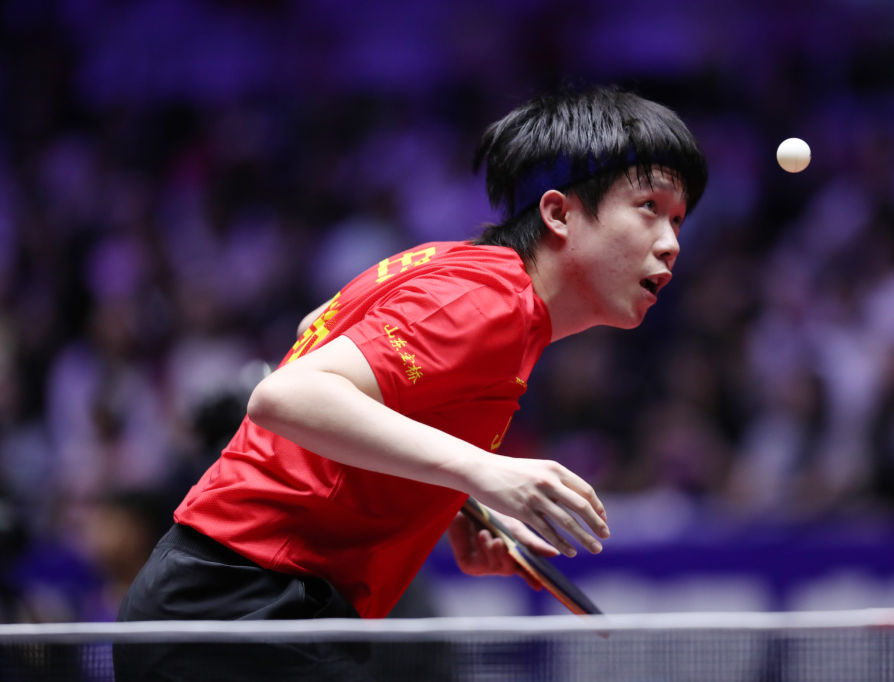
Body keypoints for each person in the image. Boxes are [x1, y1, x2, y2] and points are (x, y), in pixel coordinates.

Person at [114, 84, 708, 680]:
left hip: (250, 602)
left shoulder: (465, 270)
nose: (671, 244)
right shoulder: (489, 305)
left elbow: (314, 330)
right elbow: (286, 394)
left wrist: (450, 501)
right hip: (236, 607)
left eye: (678, 220)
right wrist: (482, 470)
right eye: (649, 207)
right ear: (559, 214)